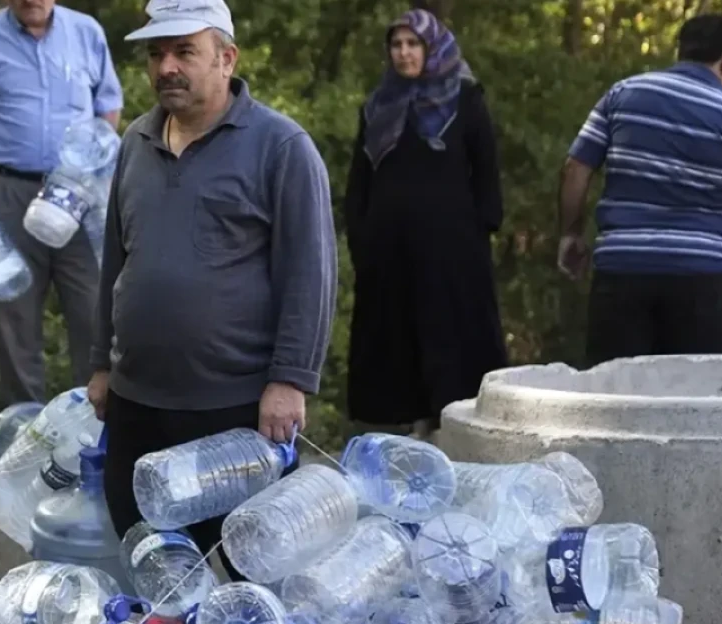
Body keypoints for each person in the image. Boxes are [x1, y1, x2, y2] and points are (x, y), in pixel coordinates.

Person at [87, 0, 336, 579]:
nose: (166, 67)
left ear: (226, 58)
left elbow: (310, 271)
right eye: (156, 54)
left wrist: (291, 378)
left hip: (233, 409)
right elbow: (115, 263)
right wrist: (102, 363)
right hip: (137, 401)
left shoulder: (281, 147)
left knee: (246, 572)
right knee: (153, 564)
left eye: (184, 52)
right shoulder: (135, 143)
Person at [0, 0, 124, 404]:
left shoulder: (87, 33)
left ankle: (91, 434)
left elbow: (108, 108)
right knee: (14, 317)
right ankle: (24, 434)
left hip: (76, 194)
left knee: (95, 309)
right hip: (4, 190)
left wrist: (93, 170)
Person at [343, 8, 506, 440]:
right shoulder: (378, 106)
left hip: (451, 247)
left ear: (432, 48)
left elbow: (485, 169)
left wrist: (481, 229)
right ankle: (400, 423)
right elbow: (360, 179)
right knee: (394, 331)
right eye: (396, 45)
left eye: (413, 44)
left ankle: (450, 420)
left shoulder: (465, 100)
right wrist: (361, 235)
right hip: (388, 247)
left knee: (449, 330)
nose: (403, 53)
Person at [558, 14, 722, 366]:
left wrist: (571, 234)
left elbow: (577, 167)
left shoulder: (623, 92)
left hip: (622, 269)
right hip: (702, 276)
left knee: (613, 396)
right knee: (693, 403)